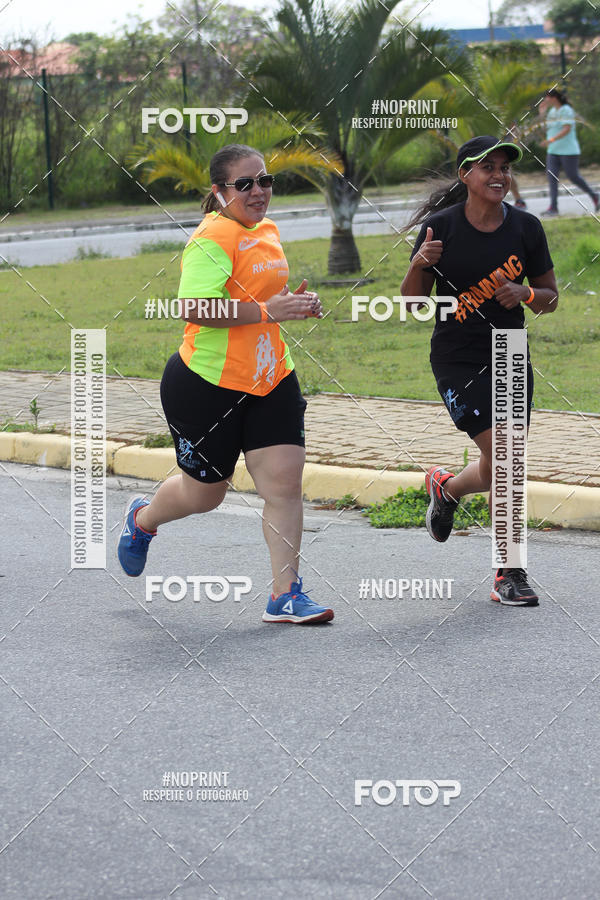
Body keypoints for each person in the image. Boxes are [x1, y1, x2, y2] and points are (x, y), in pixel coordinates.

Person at [117, 143, 334, 624]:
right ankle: (142, 520)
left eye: (265, 181)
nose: (259, 191)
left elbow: (262, 297)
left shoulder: (267, 230)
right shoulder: (210, 238)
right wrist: (267, 311)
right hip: (206, 384)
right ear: (219, 192)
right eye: (245, 184)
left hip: (271, 376)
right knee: (205, 495)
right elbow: (194, 307)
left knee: (284, 484)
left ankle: (285, 595)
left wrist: (294, 303)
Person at [401, 135, 559, 606]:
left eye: (504, 168)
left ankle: (447, 489)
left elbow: (550, 297)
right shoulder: (440, 228)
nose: (499, 175)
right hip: (458, 356)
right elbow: (411, 303)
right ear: (465, 175)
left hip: (509, 352)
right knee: (507, 458)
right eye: (487, 167)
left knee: (503, 462)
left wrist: (526, 294)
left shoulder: (527, 227)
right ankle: (509, 571)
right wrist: (418, 265)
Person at [538, 88, 599, 216]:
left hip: (568, 151)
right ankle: (553, 208)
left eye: (547, 97)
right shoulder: (552, 111)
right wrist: (542, 114)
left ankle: (594, 196)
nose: (545, 99)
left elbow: (567, 129)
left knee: (573, 177)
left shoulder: (566, 110)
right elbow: (545, 129)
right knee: (552, 178)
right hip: (553, 151)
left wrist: (551, 140)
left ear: (554, 98)